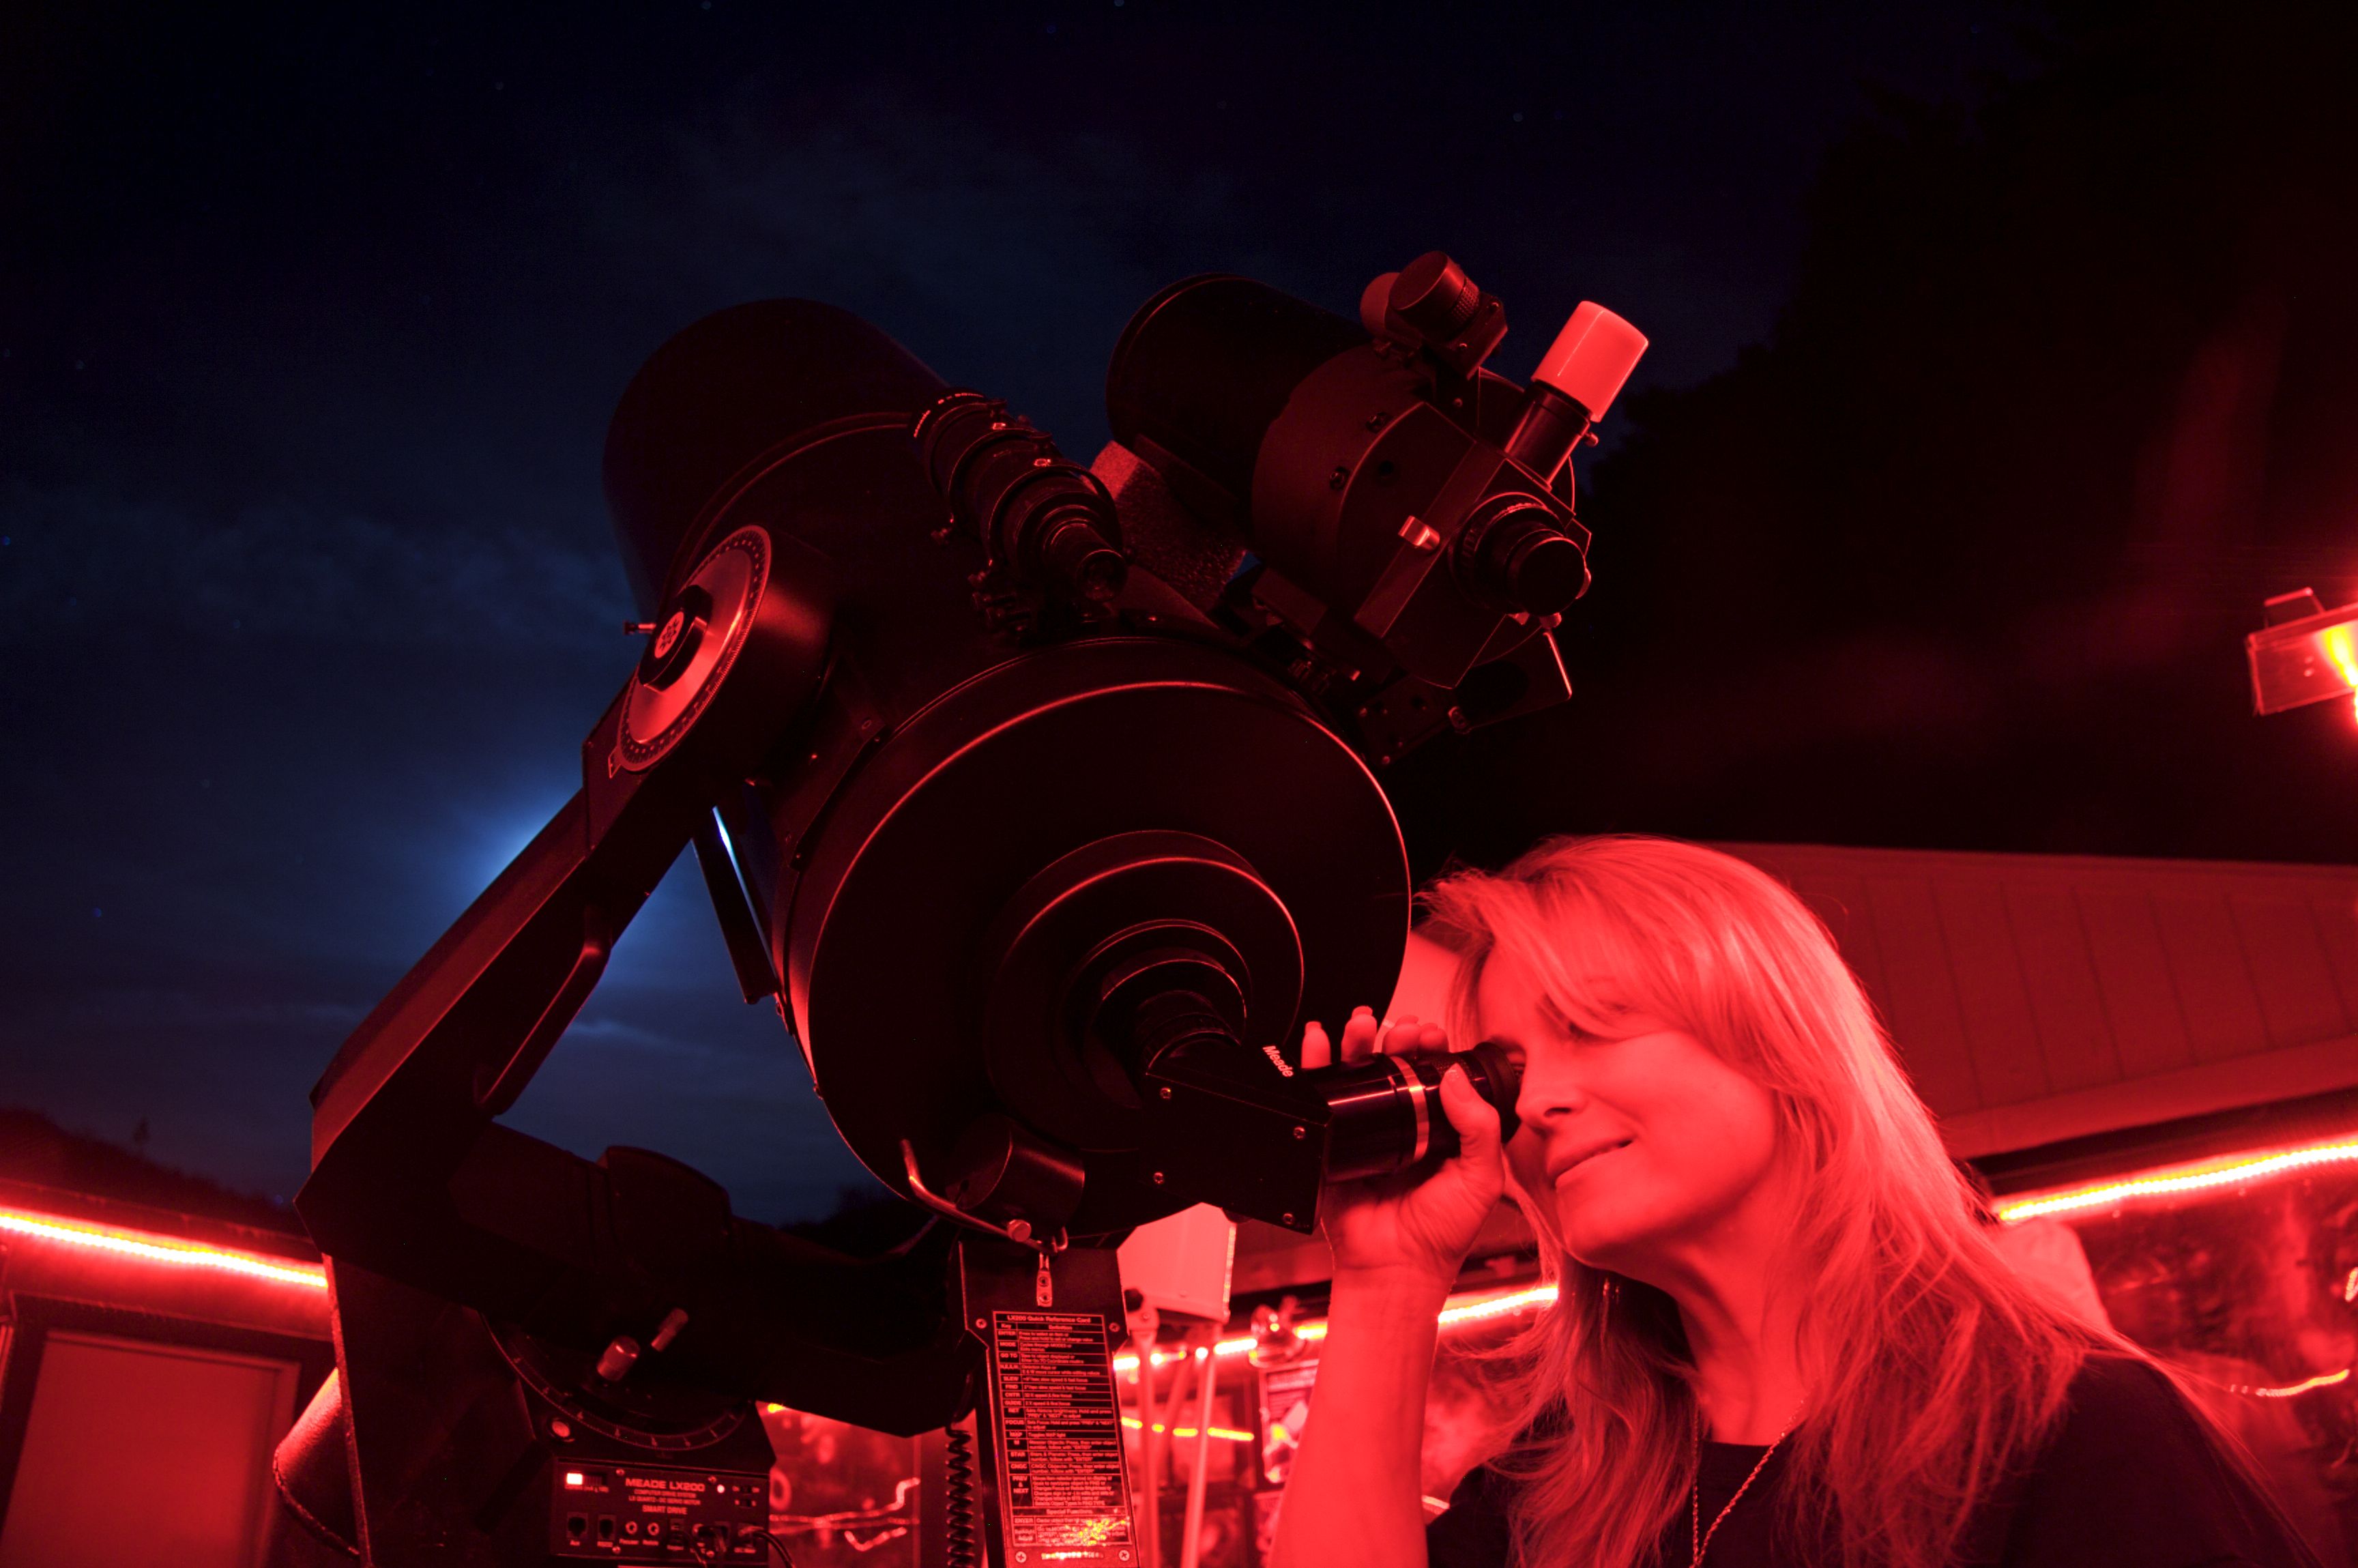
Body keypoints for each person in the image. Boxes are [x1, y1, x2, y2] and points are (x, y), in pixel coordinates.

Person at [1268, 835, 2321, 1568]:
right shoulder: (1563, 1485)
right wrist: (1386, 1278)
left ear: (1777, 1039)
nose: (1537, 1102)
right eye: (1503, 1070)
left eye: (1591, 1025)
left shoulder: (2069, 1437)